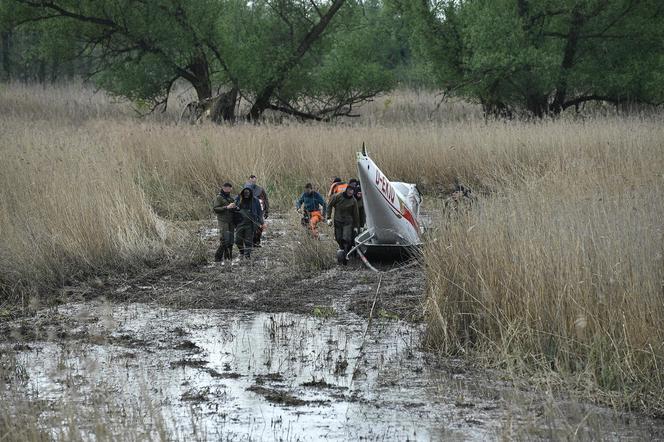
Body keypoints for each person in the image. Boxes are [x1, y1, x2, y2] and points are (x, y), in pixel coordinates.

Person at [326, 185, 360, 265]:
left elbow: (356, 214)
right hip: (338, 221)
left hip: (348, 222)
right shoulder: (337, 196)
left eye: (352, 191)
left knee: (346, 238)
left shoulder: (353, 201)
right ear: (346, 190)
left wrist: (356, 226)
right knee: (338, 238)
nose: (350, 192)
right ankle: (342, 251)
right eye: (349, 190)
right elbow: (329, 205)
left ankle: (346, 254)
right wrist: (328, 218)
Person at [234, 186, 264, 259]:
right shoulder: (238, 198)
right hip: (239, 223)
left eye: (248, 192)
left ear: (250, 193)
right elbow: (233, 209)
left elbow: (259, 212)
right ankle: (242, 252)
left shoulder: (255, 200)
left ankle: (247, 255)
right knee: (238, 240)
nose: (246, 194)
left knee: (248, 241)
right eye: (245, 192)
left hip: (250, 224)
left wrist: (261, 223)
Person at [212, 182, 237, 263]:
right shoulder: (219, 197)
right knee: (224, 240)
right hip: (223, 221)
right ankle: (217, 258)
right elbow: (215, 209)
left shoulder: (231, 198)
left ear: (231, 189)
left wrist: (235, 207)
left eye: (229, 188)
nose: (227, 189)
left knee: (231, 241)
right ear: (222, 188)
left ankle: (228, 258)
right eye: (226, 187)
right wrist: (227, 207)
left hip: (231, 221)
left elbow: (233, 210)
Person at [244, 174, 269, 247]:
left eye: (254, 179)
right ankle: (250, 242)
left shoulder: (260, 189)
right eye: (252, 179)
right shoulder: (245, 189)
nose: (253, 181)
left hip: (260, 210)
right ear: (249, 180)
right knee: (250, 227)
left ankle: (256, 242)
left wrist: (267, 210)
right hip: (249, 212)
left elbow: (265, 199)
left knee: (260, 226)